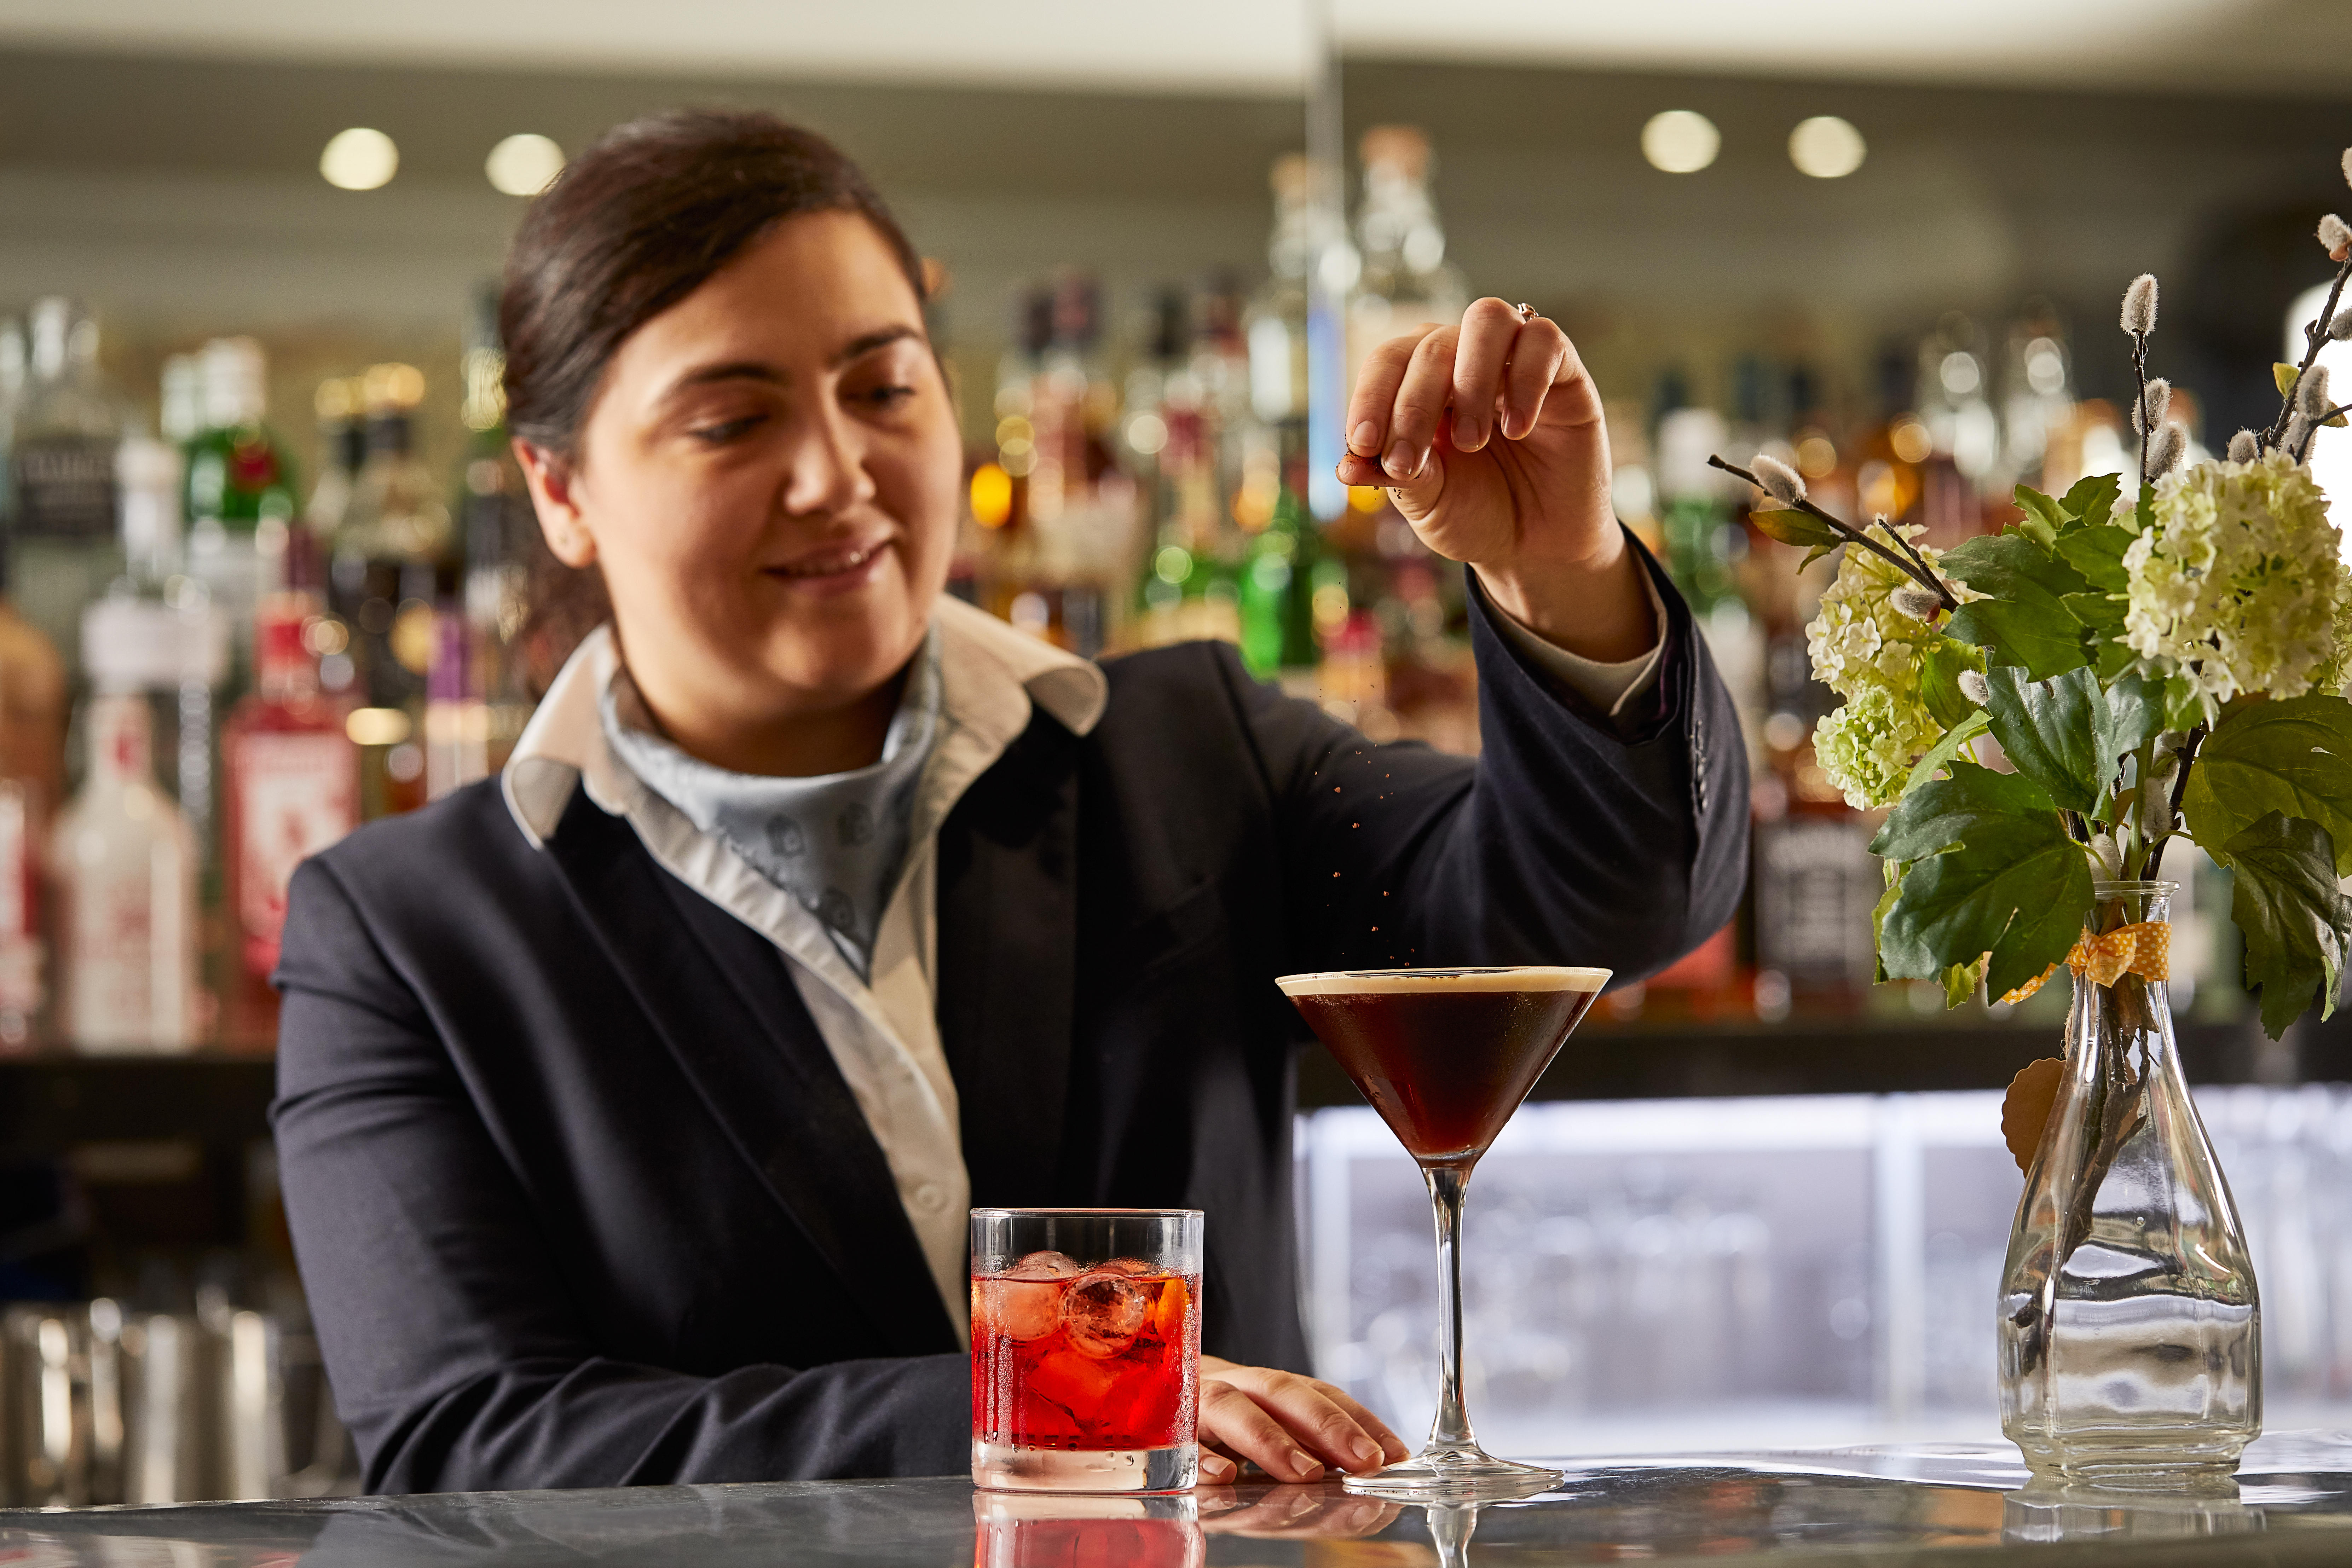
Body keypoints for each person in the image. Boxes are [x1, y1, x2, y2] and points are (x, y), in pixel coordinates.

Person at [271, 108, 1747, 1495]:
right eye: (732, 420)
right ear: (559, 487)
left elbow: (1604, 906)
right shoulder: (412, 934)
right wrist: (1044, 1388)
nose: (837, 475)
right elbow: (473, 1436)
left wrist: (1556, 570)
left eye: (883, 387)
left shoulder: (1183, 751)